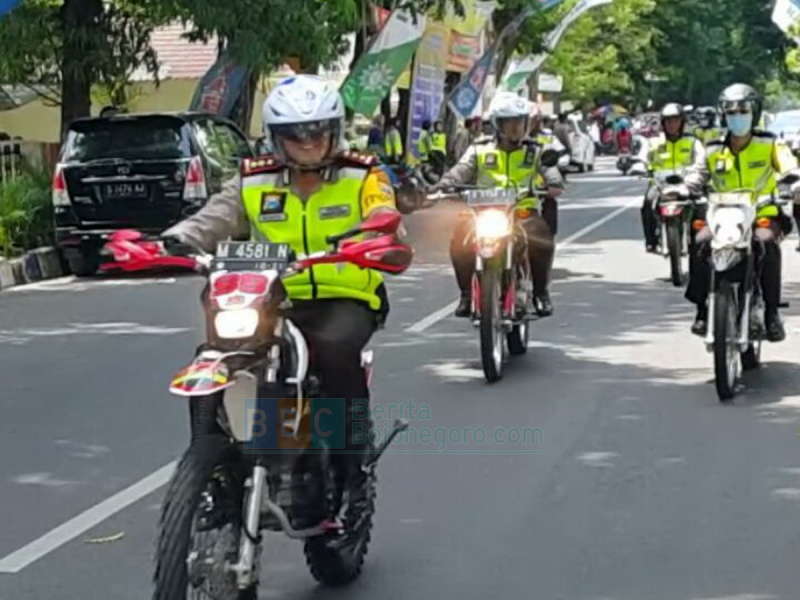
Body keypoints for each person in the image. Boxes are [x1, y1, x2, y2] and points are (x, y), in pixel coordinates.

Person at [161, 74, 403, 524]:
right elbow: (217, 215)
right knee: (214, 351)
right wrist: (179, 238)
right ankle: (212, 461)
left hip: (342, 297)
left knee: (332, 351)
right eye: (295, 134)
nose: (307, 142)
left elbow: (383, 211)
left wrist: (380, 231)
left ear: (334, 130)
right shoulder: (254, 179)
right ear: (277, 138)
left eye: (316, 132)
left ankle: (351, 468)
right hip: (270, 296)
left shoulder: (362, 173)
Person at [433, 91, 563, 318]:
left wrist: (553, 183)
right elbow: (459, 172)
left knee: (541, 238)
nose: (516, 129)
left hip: (522, 212)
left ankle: (540, 293)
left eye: (520, 123)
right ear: (497, 125)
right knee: (460, 241)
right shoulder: (479, 149)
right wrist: (445, 184)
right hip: (482, 211)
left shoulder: (534, 151)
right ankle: (465, 293)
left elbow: (551, 172)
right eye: (510, 123)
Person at [685, 83, 798, 341]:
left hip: (762, 214)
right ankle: (702, 310)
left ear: (754, 112)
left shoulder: (769, 143)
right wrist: (684, 188)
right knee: (700, 241)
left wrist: (793, 183)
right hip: (721, 217)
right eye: (731, 112)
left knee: (766, 244)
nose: (737, 117)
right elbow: (697, 175)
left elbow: (789, 167)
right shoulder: (712, 148)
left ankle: (771, 314)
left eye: (743, 111)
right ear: (723, 115)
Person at [640, 103, 706, 253]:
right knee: (648, 203)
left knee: (702, 205)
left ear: (682, 122)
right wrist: (644, 167)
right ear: (663, 123)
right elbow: (643, 157)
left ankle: (700, 239)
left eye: (675, 120)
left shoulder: (693, 142)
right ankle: (650, 241)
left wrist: (698, 172)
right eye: (668, 121)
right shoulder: (655, 142)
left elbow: (702, 160)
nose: (672, 124)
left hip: (687, 183)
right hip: (661, 185)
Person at [530, 105, 568, 235]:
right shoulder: (485, 147)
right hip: (495, 204)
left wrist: (553, 183)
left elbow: (551, 163)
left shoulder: (545, 140)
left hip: (532, 197)